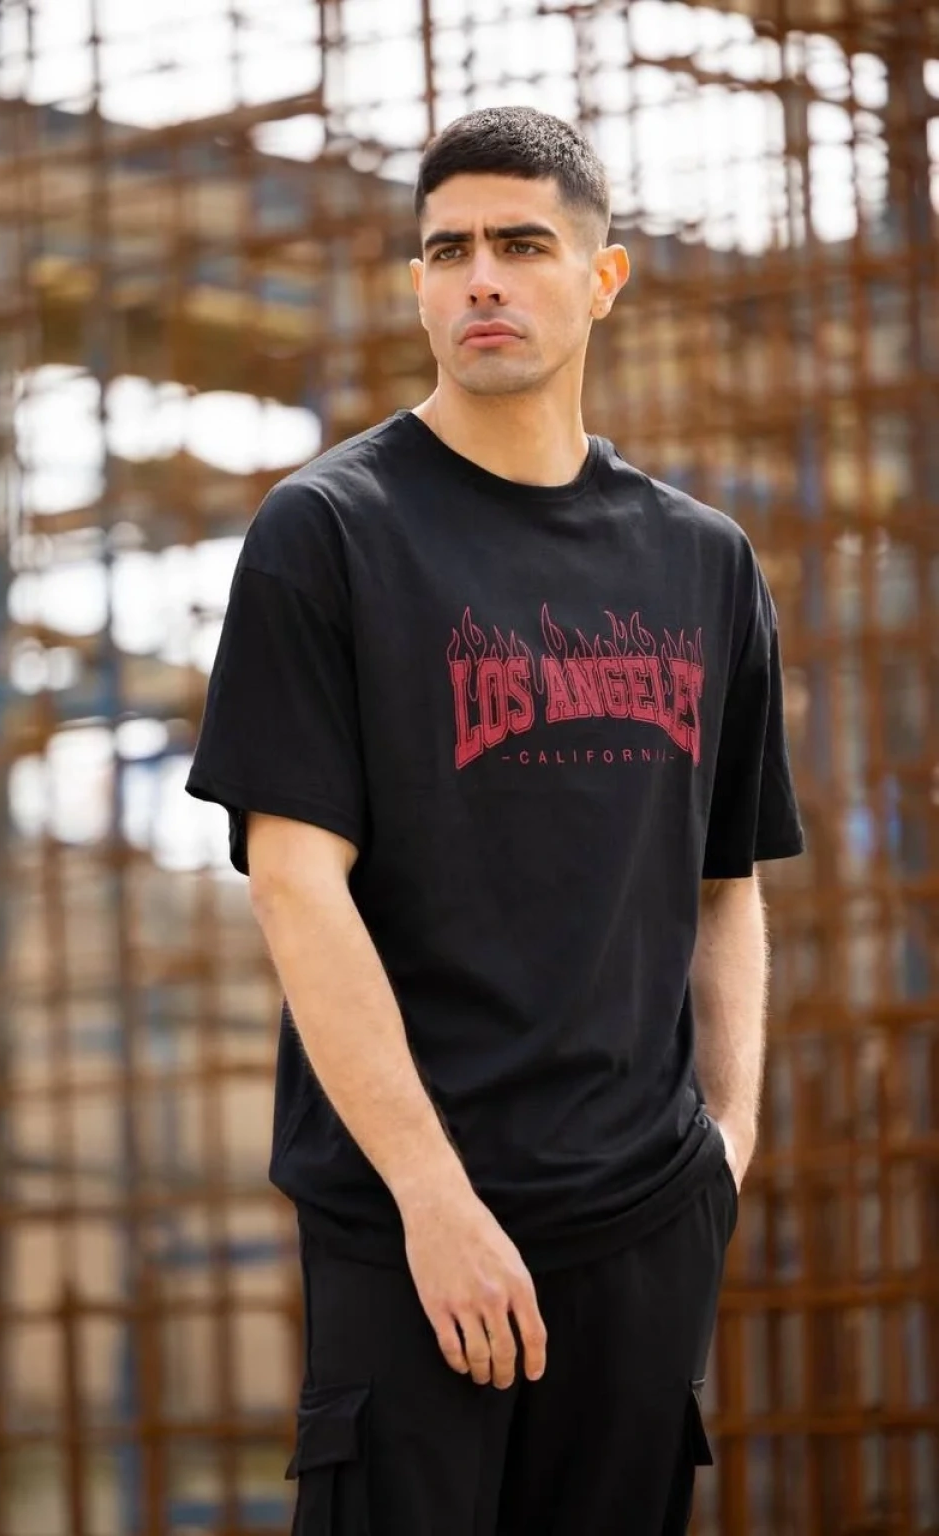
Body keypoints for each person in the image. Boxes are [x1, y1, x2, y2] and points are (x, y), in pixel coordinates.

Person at [186, 104, 804, 1535]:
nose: (481, 279)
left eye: (522, 245)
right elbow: (294, 883)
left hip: (644, 1224)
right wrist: (433, 1199)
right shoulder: (328, 533)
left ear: (603, 277)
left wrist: (725, 1146)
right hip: (409, 1229)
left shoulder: (705, 564)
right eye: (448, 250)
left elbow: (727, 882)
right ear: (416, 285)